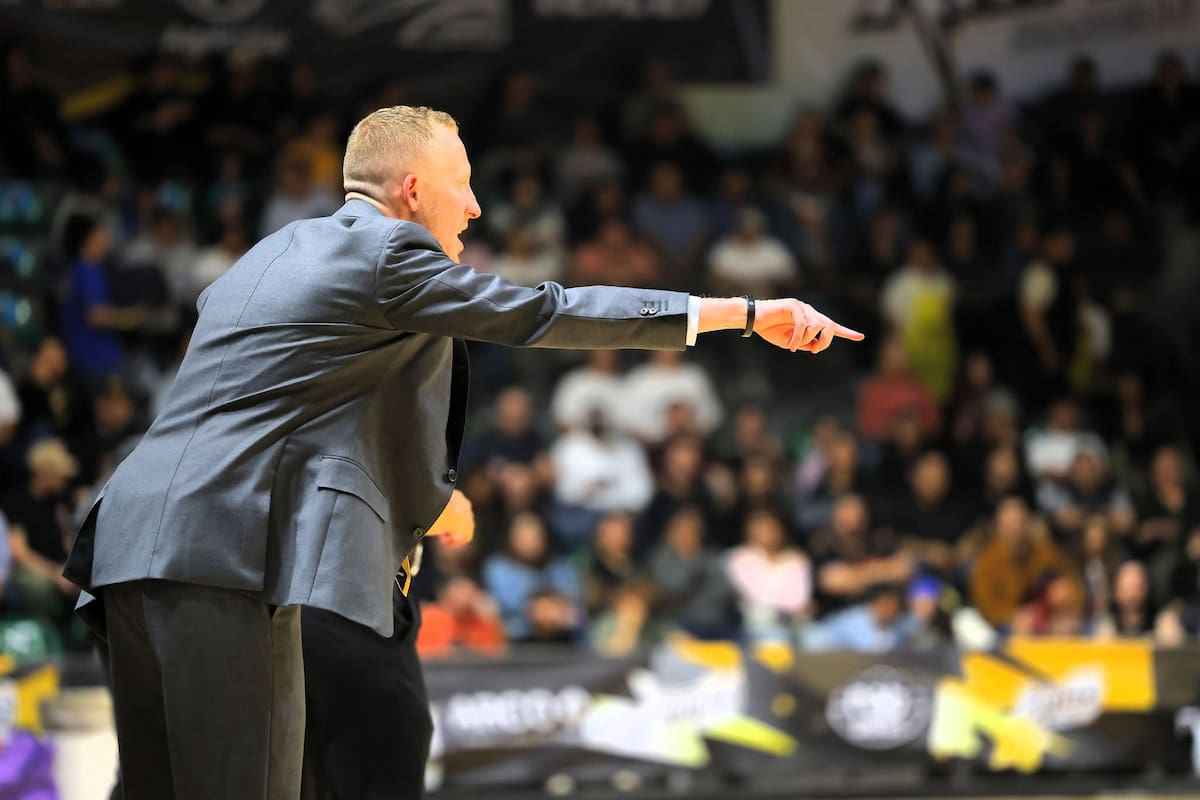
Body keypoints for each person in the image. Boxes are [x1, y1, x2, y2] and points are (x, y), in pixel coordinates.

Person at [63, 105, 863, 799]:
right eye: (463, 182)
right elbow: (547, 311)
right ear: (413, 191)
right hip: (224, 557)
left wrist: (427, 496)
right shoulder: (387, 256)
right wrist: (744, 313)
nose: (475, 208)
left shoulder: (266, 259)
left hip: (130, 545)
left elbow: (274, 412)